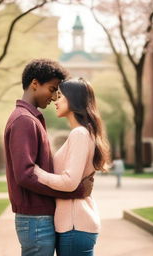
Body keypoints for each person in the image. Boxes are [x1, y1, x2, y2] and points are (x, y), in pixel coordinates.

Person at [4, 59, 94, 256]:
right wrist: (74, 192)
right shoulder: (24, 121)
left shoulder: (31, 119)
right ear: (35, 84)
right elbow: (26, 175)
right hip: (35, 218)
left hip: (39, 217)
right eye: (52, 89)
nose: (54, 97)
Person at [34, 78, 110, 256]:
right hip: (76, 225)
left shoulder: (80, 134)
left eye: (60, 96)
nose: (55, 100)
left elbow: (70, 182)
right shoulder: (85, 132)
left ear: (73, 100)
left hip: (75, 226)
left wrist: (37, 172)